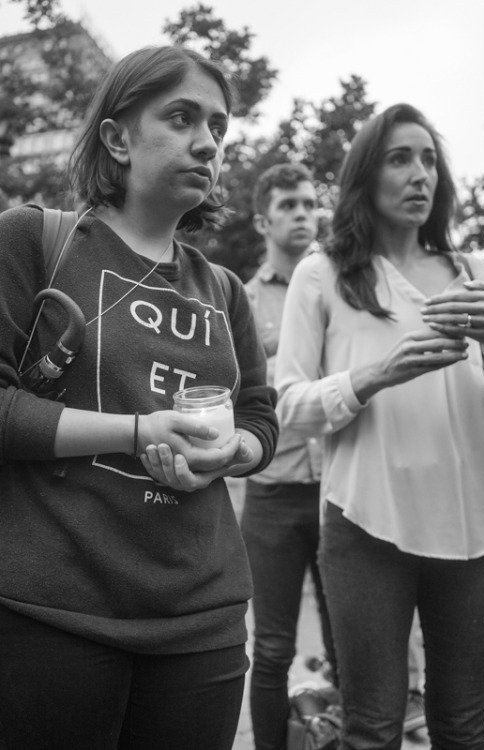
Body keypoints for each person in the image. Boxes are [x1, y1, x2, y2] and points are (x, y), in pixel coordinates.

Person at [0, 45, 278, 750]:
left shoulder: (224, 289)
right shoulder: (35, 240)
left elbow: (259, 420)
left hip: (204, 623)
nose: (207, 141)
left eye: (218, 125)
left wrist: (232, 452)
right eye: (181, 117)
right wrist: (138, 430)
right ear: (117, 137)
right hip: (52, 615)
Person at [275, 102, 484, 749]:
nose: (419, 173)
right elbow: (288, 405)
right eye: (400, 158)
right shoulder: (323, 274)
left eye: (429, 159)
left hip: (479, 531)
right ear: (366, 175)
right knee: (372, 728)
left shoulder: (476, 273)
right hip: (368, 525)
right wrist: (373, 375)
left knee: (462, 727)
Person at [240, 162, 337, 750]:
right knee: (272, 649)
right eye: (289, 206)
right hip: (273, 494)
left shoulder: (338, 285)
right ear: (263, 221)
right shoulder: (241, 303)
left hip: (339, 489)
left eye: (309, 203)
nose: (304, 214)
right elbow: (239, 397)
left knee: (349, 639)